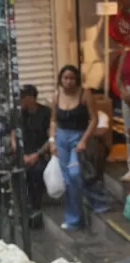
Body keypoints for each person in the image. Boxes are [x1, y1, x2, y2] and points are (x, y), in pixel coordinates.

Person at [49, 65, 110, 230]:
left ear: (76, 80)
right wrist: (52, 141)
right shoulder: (56, 95)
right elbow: (54, 121)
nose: (68, 82)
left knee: (76, 174)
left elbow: (94, 119)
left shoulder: (85, 94)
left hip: (78, 136)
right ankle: (74, 218)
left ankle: (96, 201)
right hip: (62, 138)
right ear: (60, 80)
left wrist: (84, 140)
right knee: (68, 180)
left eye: (71, 78)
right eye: (65, 78)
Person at [11, 85, 52, 224]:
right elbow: (13, 134)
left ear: (30, 98)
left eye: (22, 97)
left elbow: (50, 138)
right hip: (24, 154)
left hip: (40, 153)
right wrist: (20, 153)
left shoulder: (46, 113)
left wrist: (37, 154)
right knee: (16, 172)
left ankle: (36, 206)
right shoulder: (19, 115)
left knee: (36, 170)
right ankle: (22, 207)